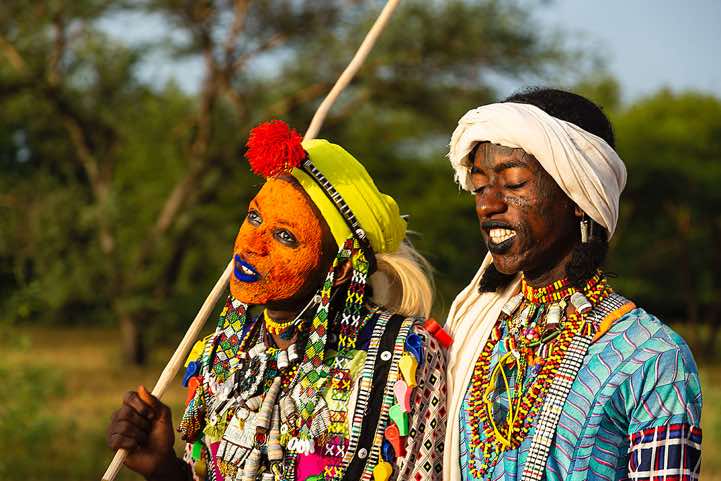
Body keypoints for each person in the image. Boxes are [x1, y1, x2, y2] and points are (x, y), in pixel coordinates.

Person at [107, 120, 449, 481]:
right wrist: (162, 467)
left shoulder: (402, 358)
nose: (252, 244)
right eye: (254, 217)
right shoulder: (216, 359)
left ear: (344, 268)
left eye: (285, 236)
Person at [442, 88, 702, 481]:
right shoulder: (471, 334)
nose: (487, 204)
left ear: (578, 196)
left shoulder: (651, 358)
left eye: (513, 183)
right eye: (479, 187)